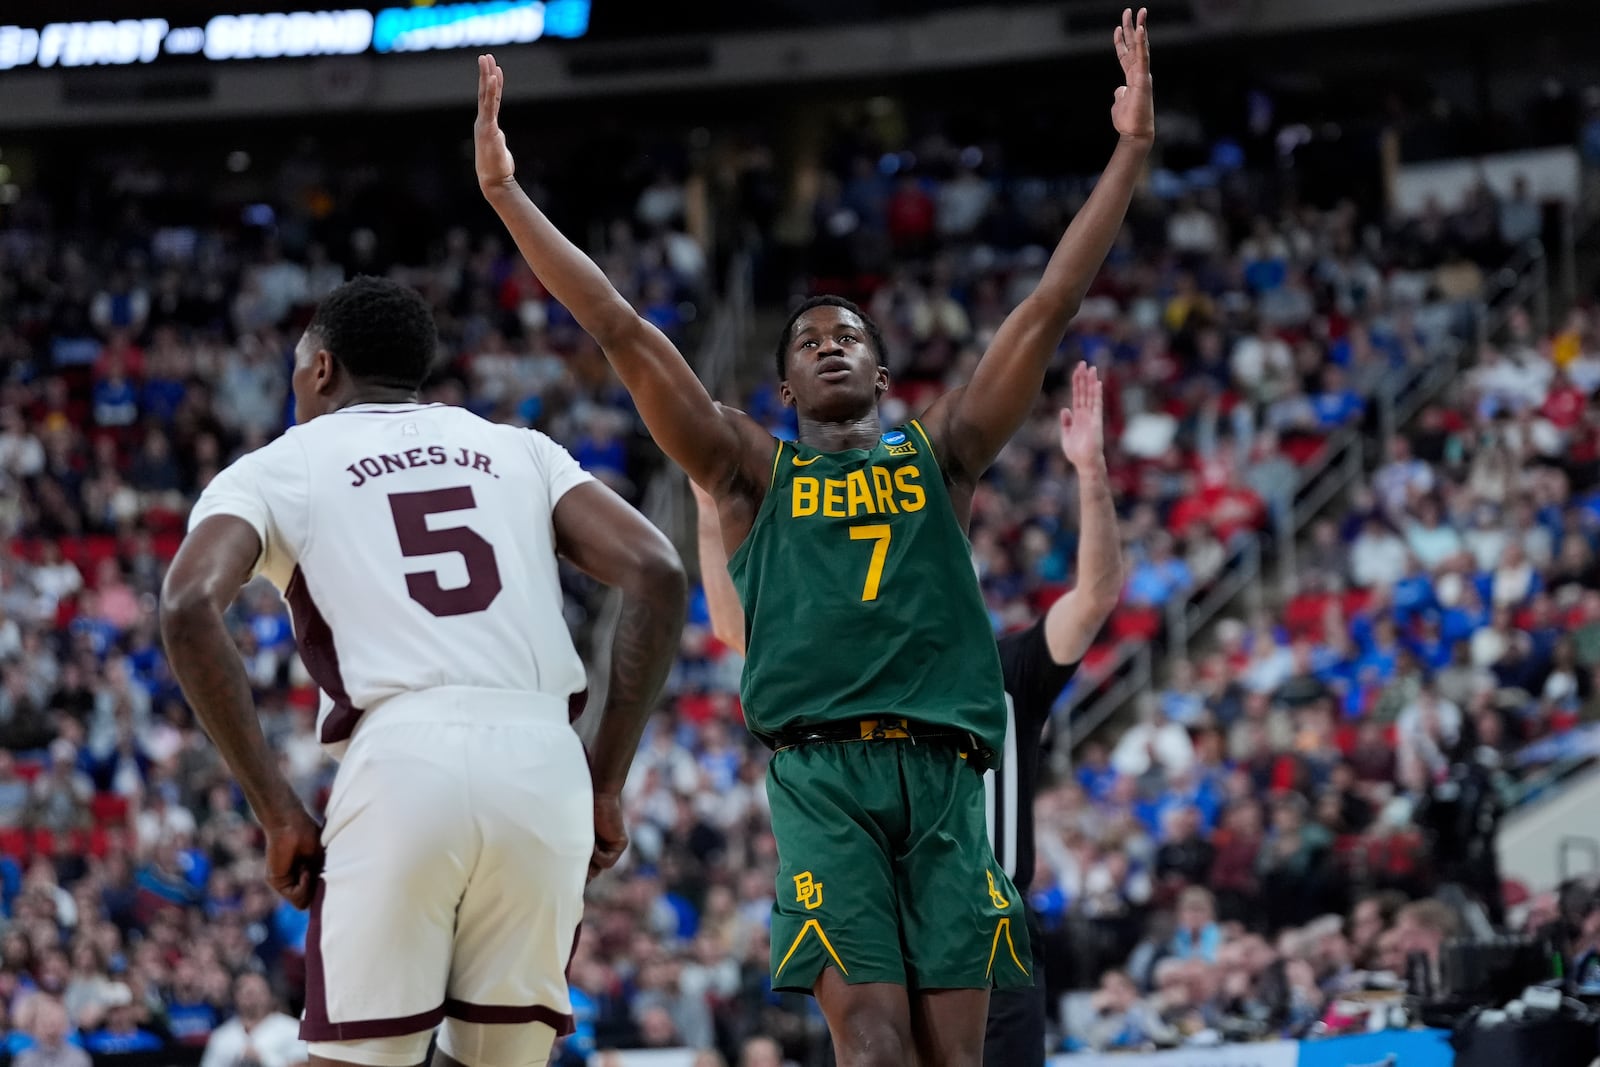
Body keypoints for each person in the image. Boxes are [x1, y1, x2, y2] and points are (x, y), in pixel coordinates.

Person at [478, 11, 1149, 1064]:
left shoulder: (946, 452)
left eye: (847, 337)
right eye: (807, 341)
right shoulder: (748, 468)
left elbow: (1047, 304)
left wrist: (1131, 150)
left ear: (881, 377)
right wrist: (510, 197)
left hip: (944, 779)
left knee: (952, 1057)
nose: (827, 343)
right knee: (874, 1047)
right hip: (822, 776)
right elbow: (618, 325)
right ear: (784, 385)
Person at [160, 277, 688, 1067]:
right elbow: (657, 569)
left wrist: (276, 810)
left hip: (404, 757)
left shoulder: (279, 464)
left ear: (322, 369)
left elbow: (187, 604)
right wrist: (604, 781)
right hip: (544, 764)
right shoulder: (520, 447)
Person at [694, 382, 1123, 1067]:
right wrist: (709, 494)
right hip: (881, 911)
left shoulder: (1012, 667)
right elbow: (734, 624)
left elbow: (1097, 595)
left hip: (978, 923)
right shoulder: (849, 668)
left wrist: (1092, 474)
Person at [200, 974, 307, 1067]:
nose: (251, 997)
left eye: (257, 991)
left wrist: (265, 1059)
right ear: (235, 996)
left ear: (270, 995)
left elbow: (304, 1065)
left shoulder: (293, 1029)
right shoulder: (222, 1036)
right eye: (246, 991)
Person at [14, 997, 90, 1067]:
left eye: (56, 1021)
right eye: (45, 1020)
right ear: (34, 1027)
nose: (51, 1027)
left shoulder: (78, 1058)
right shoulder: (24, 1059)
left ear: (65, 1026)